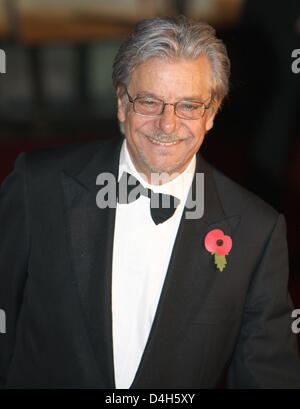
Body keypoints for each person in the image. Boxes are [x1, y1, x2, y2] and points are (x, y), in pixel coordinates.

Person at [0, 16, 299, 389]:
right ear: (122, 102)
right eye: (149, 101)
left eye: (188, 105)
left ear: (212, 112)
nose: (167, 124)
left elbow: (267, 378)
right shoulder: (36, 187)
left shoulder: (258, 232)